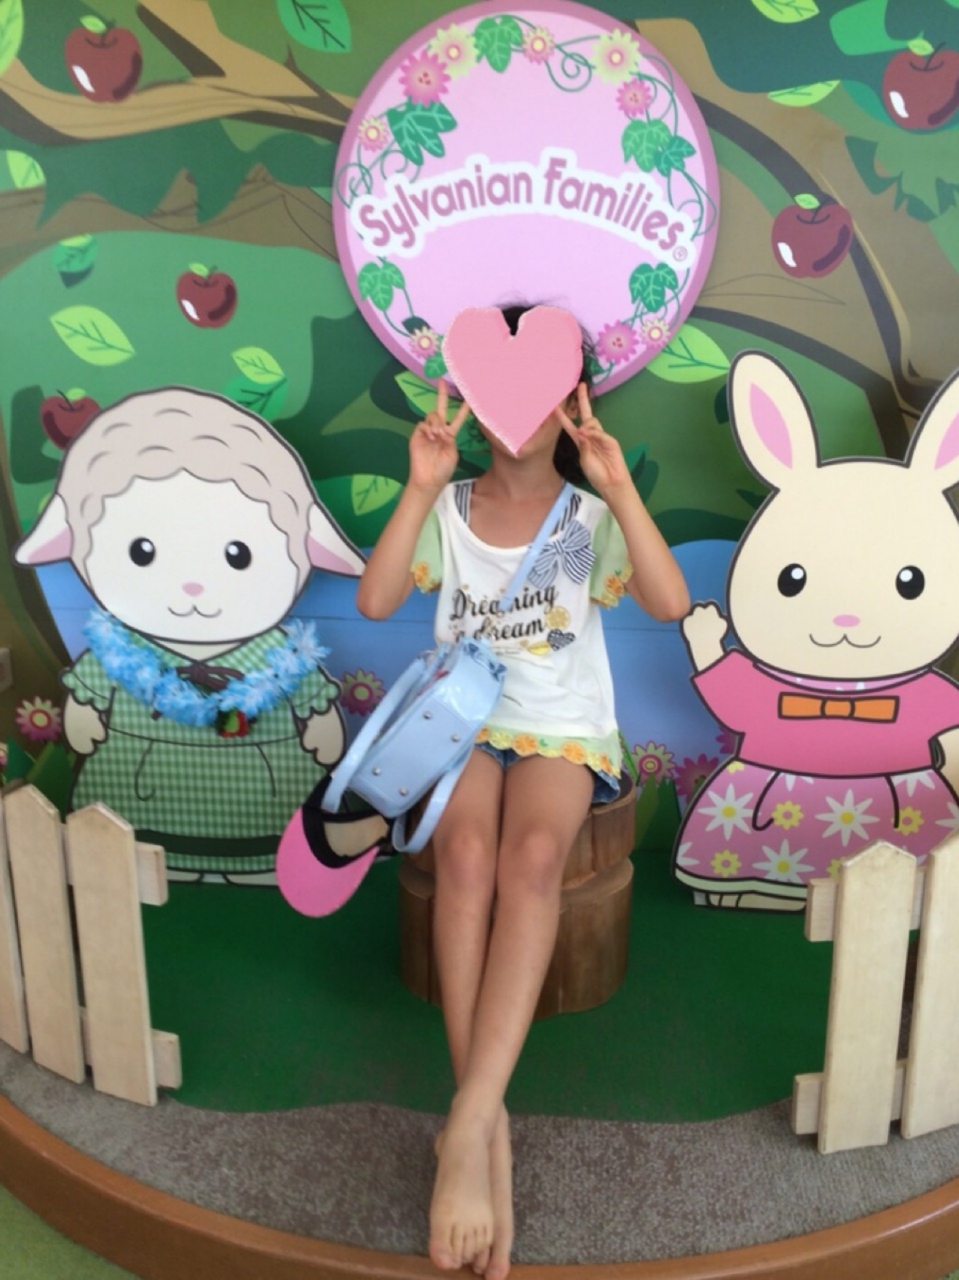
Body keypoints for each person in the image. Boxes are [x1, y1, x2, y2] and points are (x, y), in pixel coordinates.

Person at [356, 306, 689, 1279]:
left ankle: (463, 1125)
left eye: (539, 395)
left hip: (561, 729)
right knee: (463, 853)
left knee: (532, 857)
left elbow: (669, 602)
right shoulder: (449, 503)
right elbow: (375, 599)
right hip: (458, 720)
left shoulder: (587, 518)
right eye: (497, 393)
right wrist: (420, 487)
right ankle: (483, 1128)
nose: (517, 416)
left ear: (570, 403)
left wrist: (617, 487)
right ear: (465, 400)